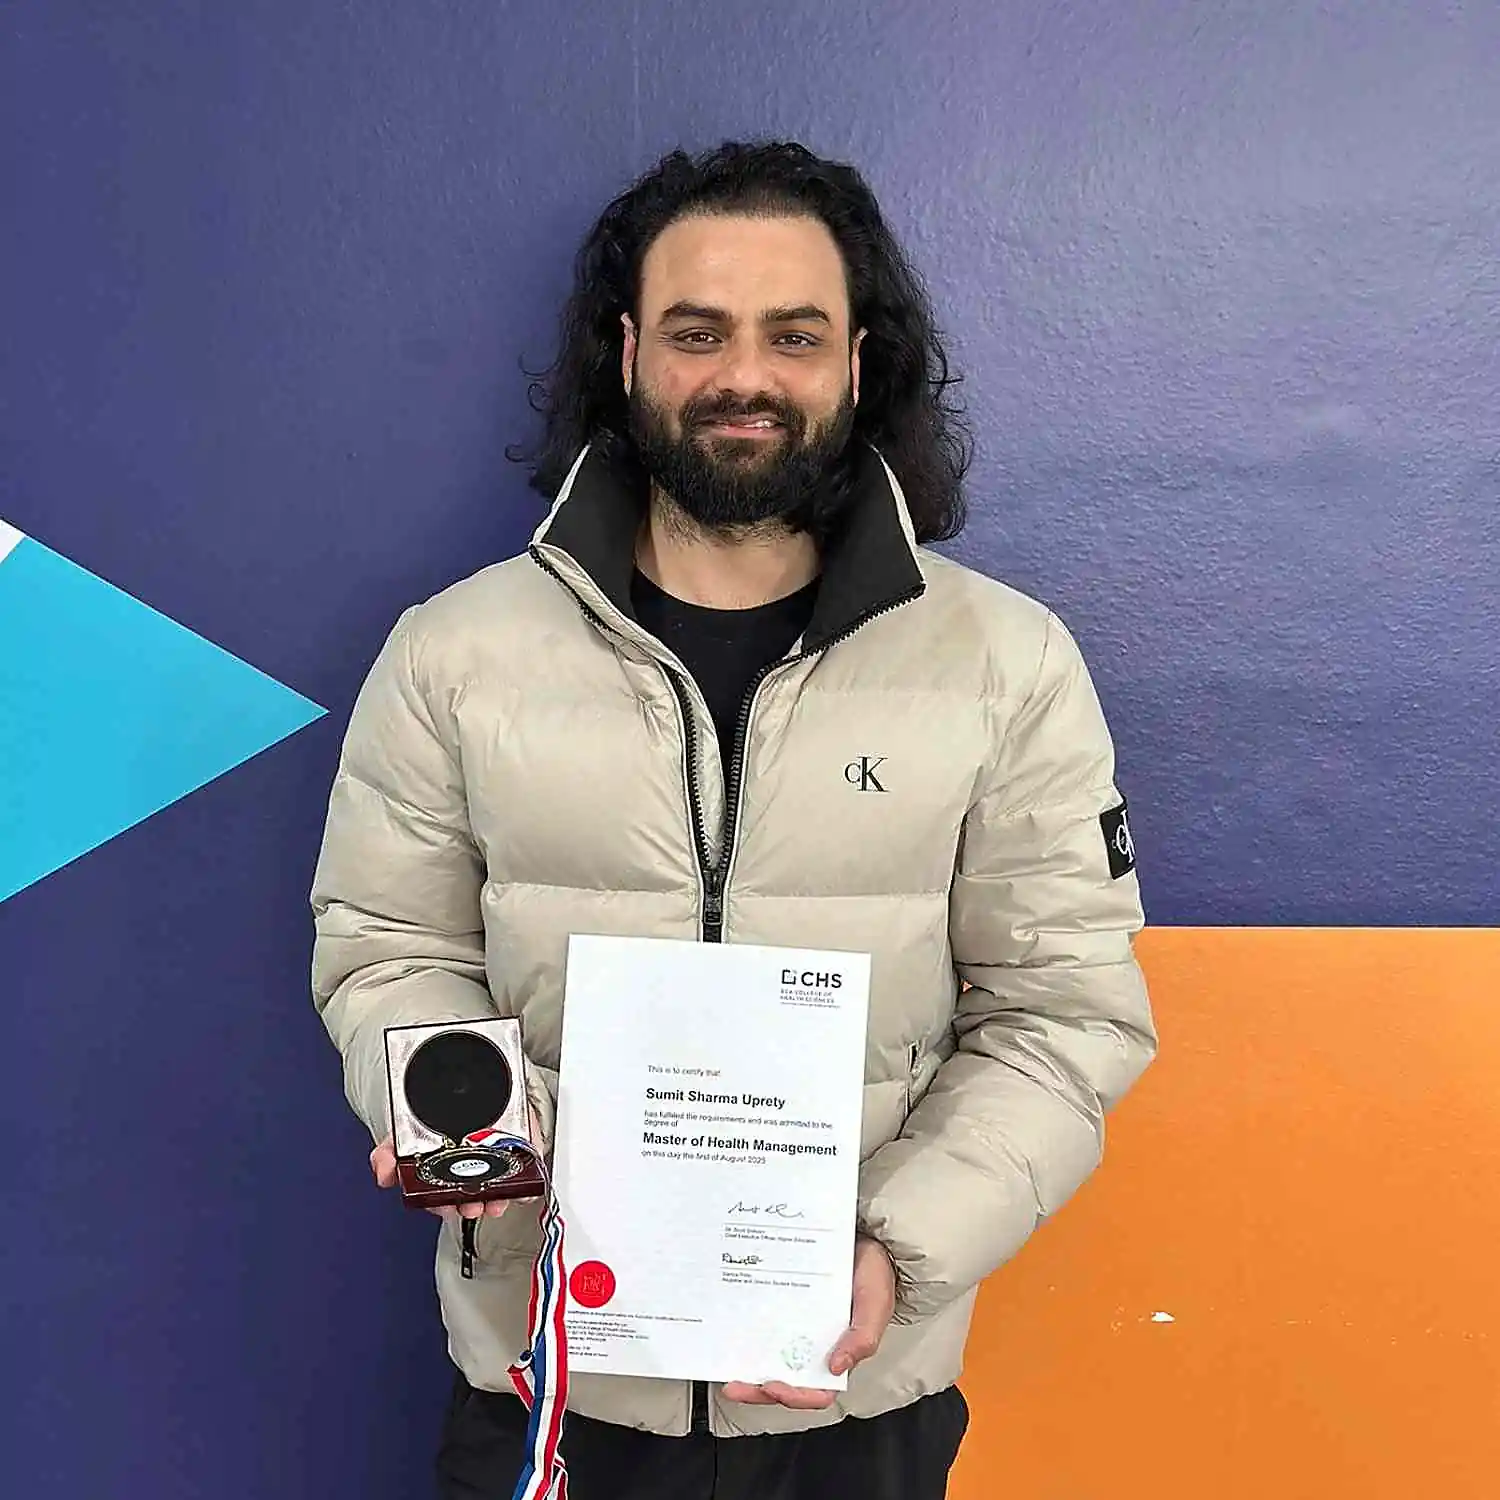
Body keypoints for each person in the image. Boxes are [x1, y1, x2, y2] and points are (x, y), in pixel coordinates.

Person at [311, 139, 1157, 1500]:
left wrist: (900, 1247)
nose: (745, 376)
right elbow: (384, 951)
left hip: (849, 1391)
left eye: (793, 334)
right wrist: (463, 1117)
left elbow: (1064, 1014)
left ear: (858, 362)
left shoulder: (1006, 663)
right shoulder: (452, 655)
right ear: (631, 351)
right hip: (547, 1375)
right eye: (699, 332)